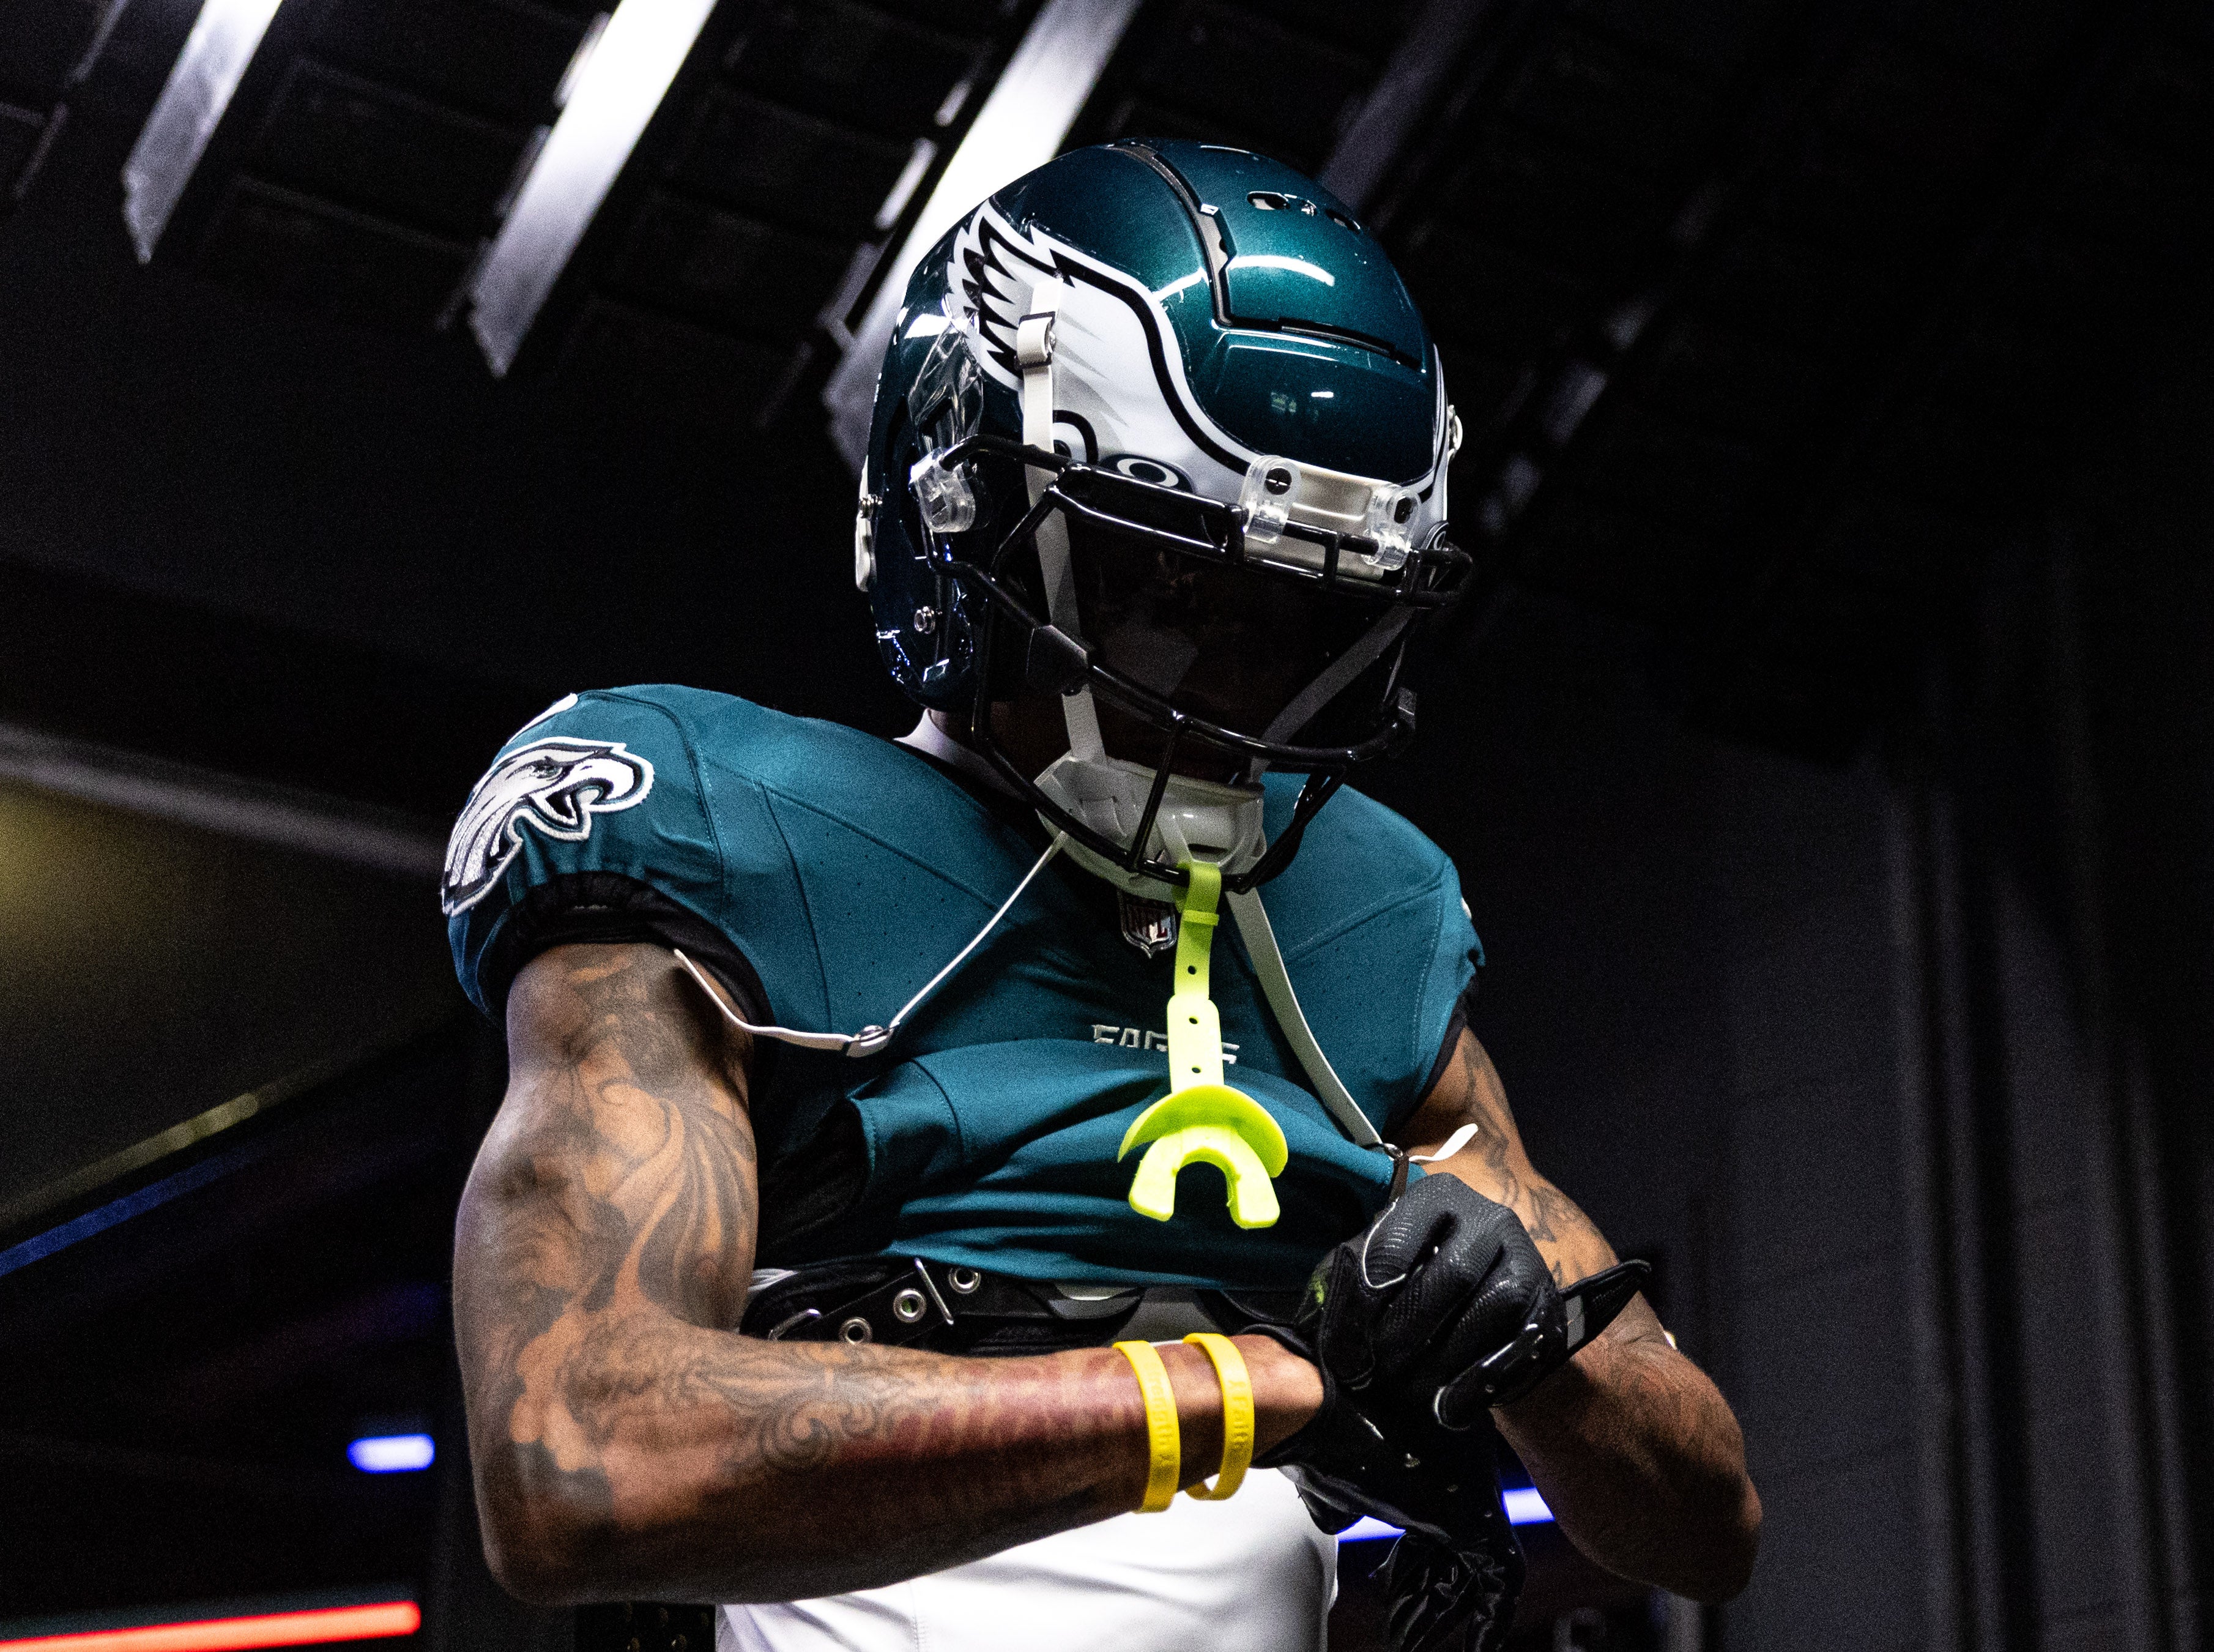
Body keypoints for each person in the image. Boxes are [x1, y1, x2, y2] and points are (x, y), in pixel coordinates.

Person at [442, 141, 1759, 1652]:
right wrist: (1217, 1389)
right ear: (960, 512)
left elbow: (1704, 1522)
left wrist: (1535, 1344)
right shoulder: (718, 821)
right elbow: (576, 1459)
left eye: (1309, 623)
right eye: (1168, 596)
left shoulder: (1368, 912)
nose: (1235, 693)